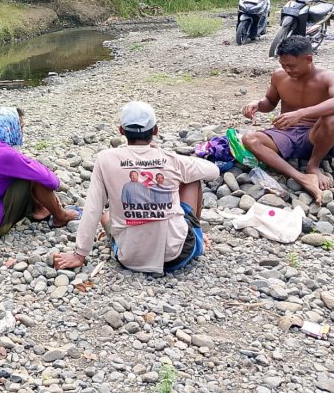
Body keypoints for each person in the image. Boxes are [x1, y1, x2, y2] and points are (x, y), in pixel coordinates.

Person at [55, 102, 219, 276]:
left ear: (121, 131)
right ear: (155, 130)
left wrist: (79, 254)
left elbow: (92, 207)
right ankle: (196, 235)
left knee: (105, 216)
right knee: (192, 180)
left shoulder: (105, 159)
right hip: (176, 255)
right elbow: (213, 171)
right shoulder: (170, 159)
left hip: (130, 258)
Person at [241, 35, 334, 206]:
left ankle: (313, 165)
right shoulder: (279, 76)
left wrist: (301, 113)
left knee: (332, 118)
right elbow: (270, 102)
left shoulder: (328, 77)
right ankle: (301, 177)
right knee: (249, 138)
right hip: (285, 133)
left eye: (291, 65)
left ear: (308, 59)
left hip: (315, 135)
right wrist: (257, 104)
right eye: (283, 65)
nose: (287, 70)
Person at [0, 107, 80, 238]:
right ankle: (60, 216)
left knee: (22, 173)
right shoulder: (5, 154)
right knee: (32, 177)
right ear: (10, 128)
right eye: (20, 127)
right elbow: (52, 182)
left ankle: (39, 210)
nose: (22, 132)